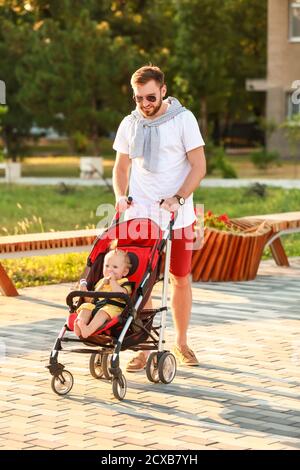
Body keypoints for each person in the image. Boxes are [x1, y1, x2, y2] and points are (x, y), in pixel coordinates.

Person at [112, 65, 206, 370]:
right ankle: (144, 345)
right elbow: (121, 167)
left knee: (180, 277)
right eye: (139, 98)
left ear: (163, 91)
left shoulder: (183, 119)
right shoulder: (130, 123)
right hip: (140, 215)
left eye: (150, 97)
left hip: (176, 216)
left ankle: (180, 342)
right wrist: (118, 194)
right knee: (142, 281)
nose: (145, 104)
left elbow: (199, 166)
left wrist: (178, 198)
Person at [74, 248, 132, 339]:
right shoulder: (101, 282)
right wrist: (84, 292)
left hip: (113, 309)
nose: (109, 270)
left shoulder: (124, 282)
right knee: (86, 307)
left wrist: (112, 281)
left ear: (124, 272)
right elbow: (92, 299)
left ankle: (88, 329)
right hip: (97, 306)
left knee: (103, 312)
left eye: (115, 267)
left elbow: (122, 294)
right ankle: (80, 325)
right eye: (107, 266)